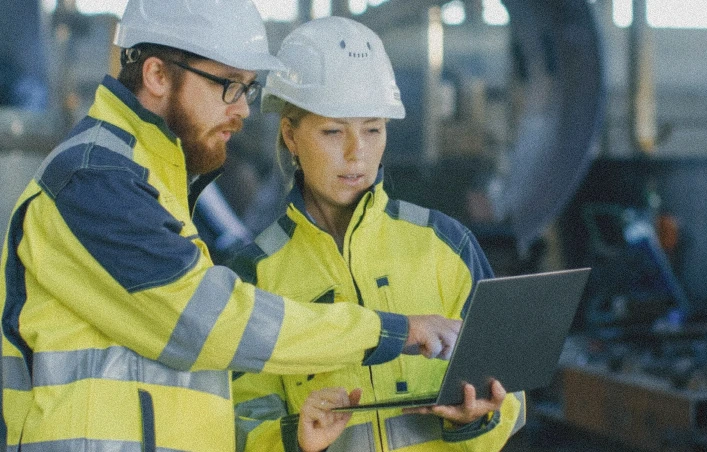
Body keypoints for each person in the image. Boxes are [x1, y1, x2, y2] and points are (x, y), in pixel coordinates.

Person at [0, 2, 463, 450]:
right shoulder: (95, 179)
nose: (242, 110)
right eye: (229, 86)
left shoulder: (153, 179)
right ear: (157, 75)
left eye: (247, 89)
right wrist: (387, 332)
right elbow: (206, 322)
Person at [228, 16, 526, 452]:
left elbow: (513, 392)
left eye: (373, 129)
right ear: (290, 136)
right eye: (333, 132)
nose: (357, 153)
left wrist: (479, 418)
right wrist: (292, 438)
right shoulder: (255, 277)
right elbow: (237, 419)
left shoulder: (446, 244)